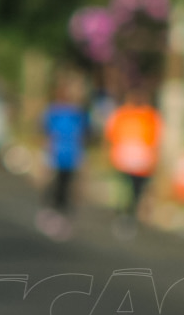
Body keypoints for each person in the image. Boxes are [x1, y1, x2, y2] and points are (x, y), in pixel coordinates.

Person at [104, 87, 163, 239]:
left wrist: (154, 161)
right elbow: (111, 135)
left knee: (137, 193)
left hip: (142, 164)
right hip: (123, 161)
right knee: (123, 191)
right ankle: (121, 215)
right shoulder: (122, 114)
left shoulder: (150, 116)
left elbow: (155, 141)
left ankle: (130, 217)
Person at [37, 78, 90, 241]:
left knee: (67, 189)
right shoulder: (54, 112)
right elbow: (45, 131)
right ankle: (49, 214)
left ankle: (63, 217)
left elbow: (86, 135)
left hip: (72, 156)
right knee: (52, 186)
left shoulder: (79, 115)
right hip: (55, 154)